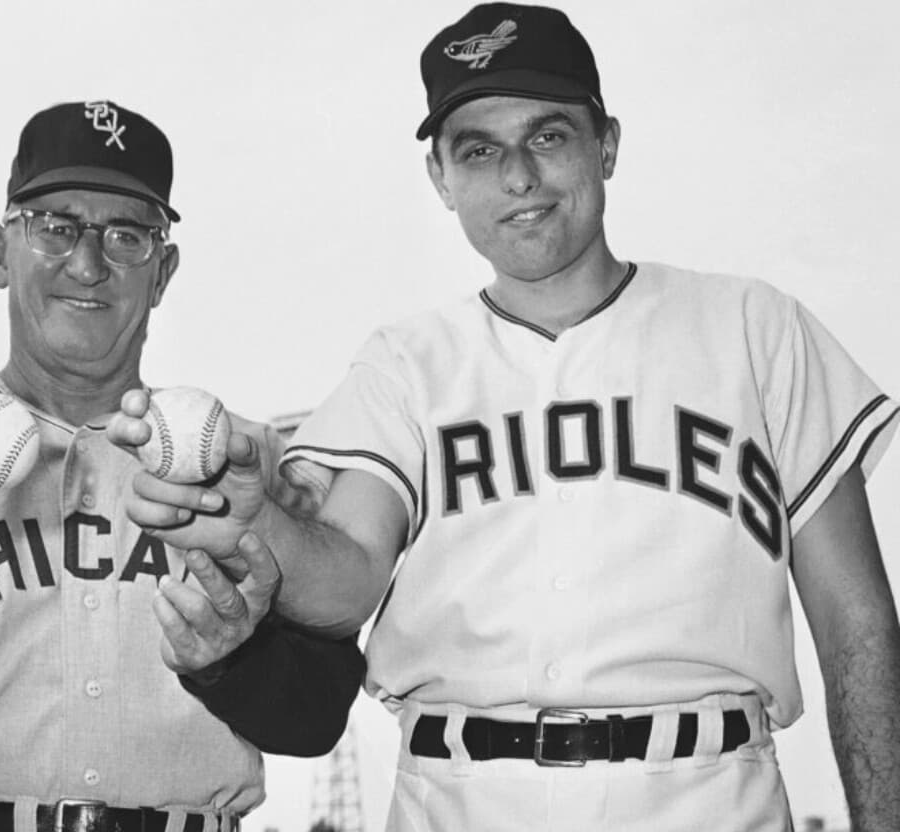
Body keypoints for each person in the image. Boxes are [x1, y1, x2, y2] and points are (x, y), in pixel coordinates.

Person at [110, 4, 900, 830]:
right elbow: (345, 584)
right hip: (461, 798)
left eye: (548, 136)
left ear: (606, 145)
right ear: (441, 179)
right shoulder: (405, 365)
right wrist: (256, 519)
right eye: (479, 150)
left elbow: (857, 625)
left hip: (707, 795)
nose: (518, 177)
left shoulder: (755, 330)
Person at [0, 100, 365, 832]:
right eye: (54, 227)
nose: (87, 264)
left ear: (163, 272)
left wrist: (229, 661)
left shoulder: (243, 464)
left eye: (127, 236)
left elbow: (318, 719)